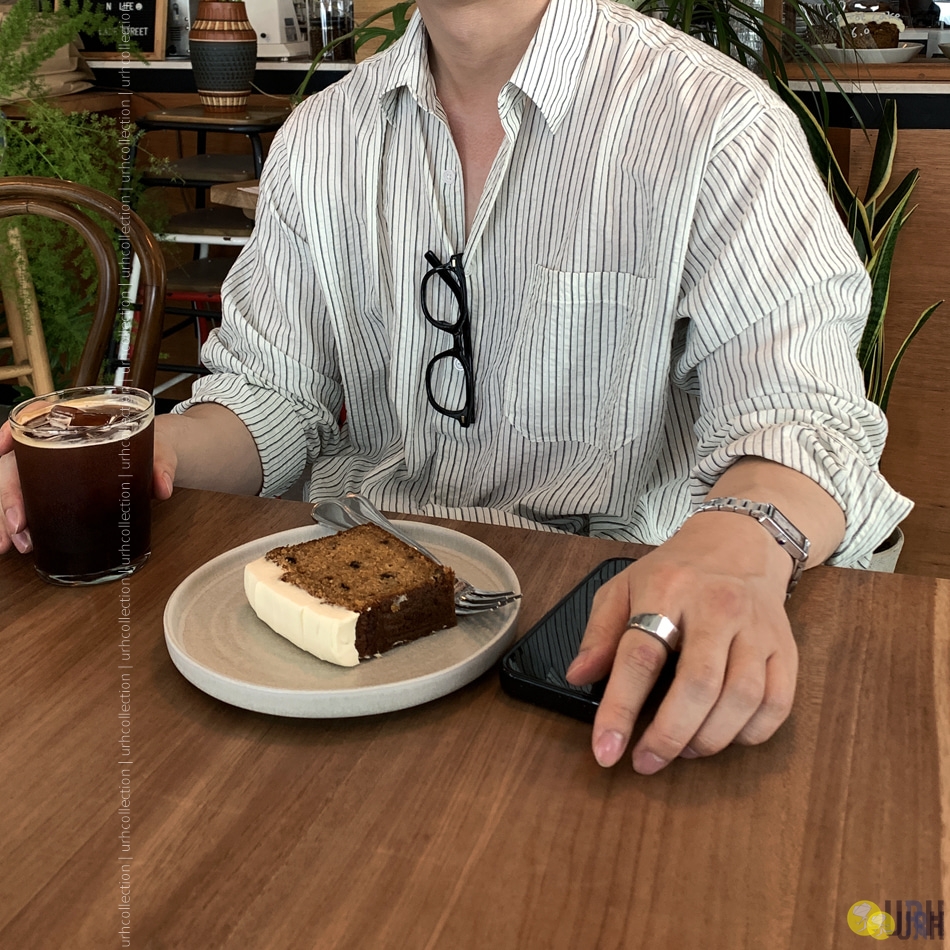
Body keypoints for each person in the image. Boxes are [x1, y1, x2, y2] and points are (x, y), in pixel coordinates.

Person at [0, 0, 911, 773]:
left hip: (604, 648)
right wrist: (147, 450)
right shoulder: (322, 138)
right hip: (352, 646)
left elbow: (802, 419)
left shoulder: (717, 121)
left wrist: (737, 546)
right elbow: (269, 400)